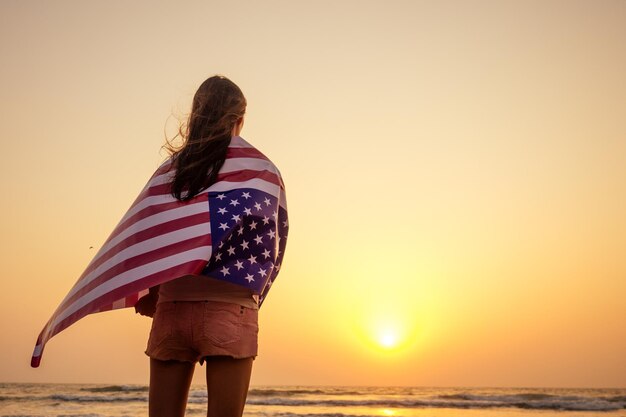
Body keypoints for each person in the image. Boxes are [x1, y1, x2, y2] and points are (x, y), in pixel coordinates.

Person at [134, 75, 271, 417]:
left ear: (195, 115)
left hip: (173, 307)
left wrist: (152, 291)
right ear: (238, 120)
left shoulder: (169, 173)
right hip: (230, 307)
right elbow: (268, 239)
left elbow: (153, 234)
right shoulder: (258, 171)